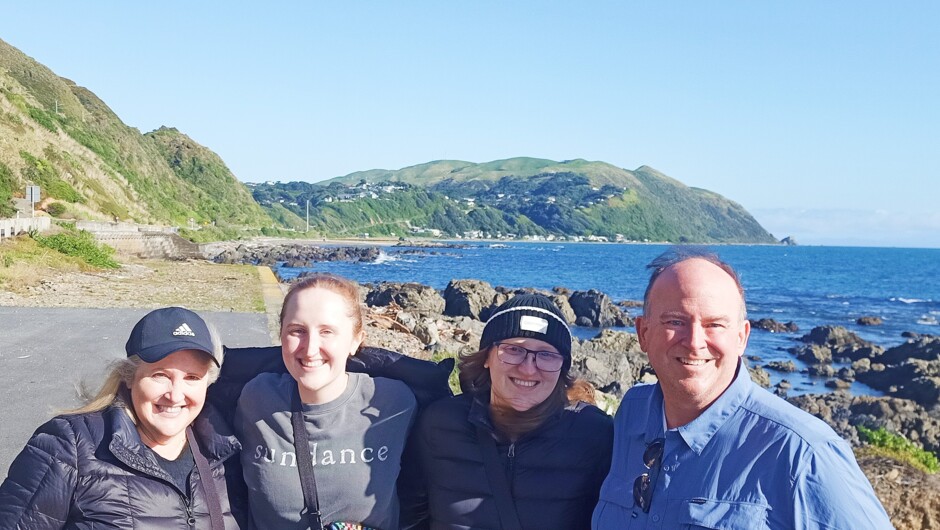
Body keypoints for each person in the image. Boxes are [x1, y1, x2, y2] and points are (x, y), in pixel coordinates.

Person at [592, 248, 893, 529]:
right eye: (675, 321)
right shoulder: (633, 412)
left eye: (715, 325)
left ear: (741, 337)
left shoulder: (804, 455)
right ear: (643, 332)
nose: (695, 342)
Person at [0, 306, 249, 529]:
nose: (175, 395)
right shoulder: (69, 446)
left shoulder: (227, 453)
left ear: (208, 383)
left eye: (192, 378)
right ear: (129, 377)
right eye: (160, 375)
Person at [400, 293, 614, 530]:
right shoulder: (440, 424)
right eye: (514, 350)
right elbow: (410, 518)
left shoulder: (594, 434)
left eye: (546, 354)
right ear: (486, 357)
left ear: (562, 366)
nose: (528, 369)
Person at [233, 273, 418, 530]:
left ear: (355, 340)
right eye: (297, 331)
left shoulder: (392, 403)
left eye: (327, 332)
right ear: (281, 335)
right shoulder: (256, 398)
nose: (310, 349)